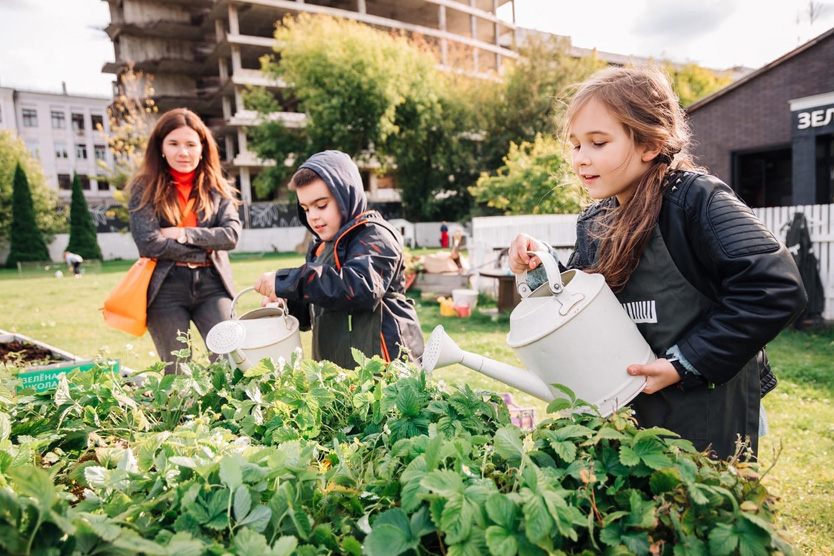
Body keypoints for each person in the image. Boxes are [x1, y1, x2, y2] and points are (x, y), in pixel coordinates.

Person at [508, 67, 806, 460]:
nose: (581, 159)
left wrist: (684, 363)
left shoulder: (698, 201)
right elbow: (582, 307)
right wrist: (542, 268)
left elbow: (776, 290)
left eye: (598, 143)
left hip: (705, 414)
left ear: (649, 144)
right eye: (576, 145)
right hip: (631, 415)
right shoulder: (594, 220)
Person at [254, 150, 424, 369]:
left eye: (321, 205)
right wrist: (286, 303)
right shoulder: (319, 248)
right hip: (336, 375)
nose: (313, 216)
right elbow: (317, 308)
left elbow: (359, 288)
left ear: (346, 196)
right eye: (305, 209)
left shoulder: (375, 235)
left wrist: (289, 280)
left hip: (386, 374)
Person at [128, 108, 241, 372]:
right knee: (178, 371)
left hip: (214, 285)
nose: (183, 153)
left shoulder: (217, 187)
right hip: (166, 289)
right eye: (174, 144)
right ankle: (182, 415)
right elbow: (149, 244)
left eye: (191, 144)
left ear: (203, 148)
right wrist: (203, 249)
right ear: (161, 147)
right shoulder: (143, 189)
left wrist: (182, 234)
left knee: (231, 362)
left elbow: (231, 236)